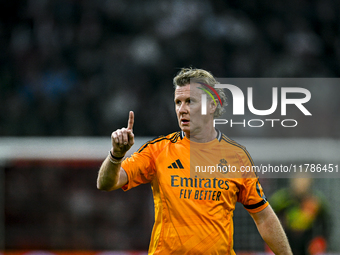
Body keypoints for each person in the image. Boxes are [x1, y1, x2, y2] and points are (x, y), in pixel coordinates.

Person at [97, 68, 292, 254]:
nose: (182, 109)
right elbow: (106, 183)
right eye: (178, 102)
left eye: (190, 101)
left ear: (212, 105)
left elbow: (263, 216)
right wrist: (116, 155)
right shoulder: (158, 150)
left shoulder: (237, 157)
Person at [270, 177, 330, 255]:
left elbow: (326, 223)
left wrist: (320, 240)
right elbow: (266, 218)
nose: (301, 184)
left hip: (308, 242)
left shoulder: (316, 201)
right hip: (285, 239)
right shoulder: (281, 199)